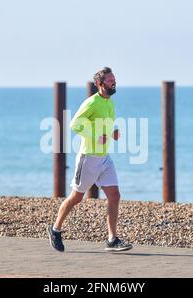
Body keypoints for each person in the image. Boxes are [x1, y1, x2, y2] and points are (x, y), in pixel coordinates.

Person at [47, 67, 133, 252]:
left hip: (104, 159)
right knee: (76, 197)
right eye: (110, 80)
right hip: (88, 159)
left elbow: (103, 125)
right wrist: (96, 136)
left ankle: (112, 239)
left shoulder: (109, 102)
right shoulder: (91, 102)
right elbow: (75, 124)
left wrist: (113, 131)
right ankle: (55, 229)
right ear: (99, 84)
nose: (114, 82)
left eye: (114, 79)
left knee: (114, 195)